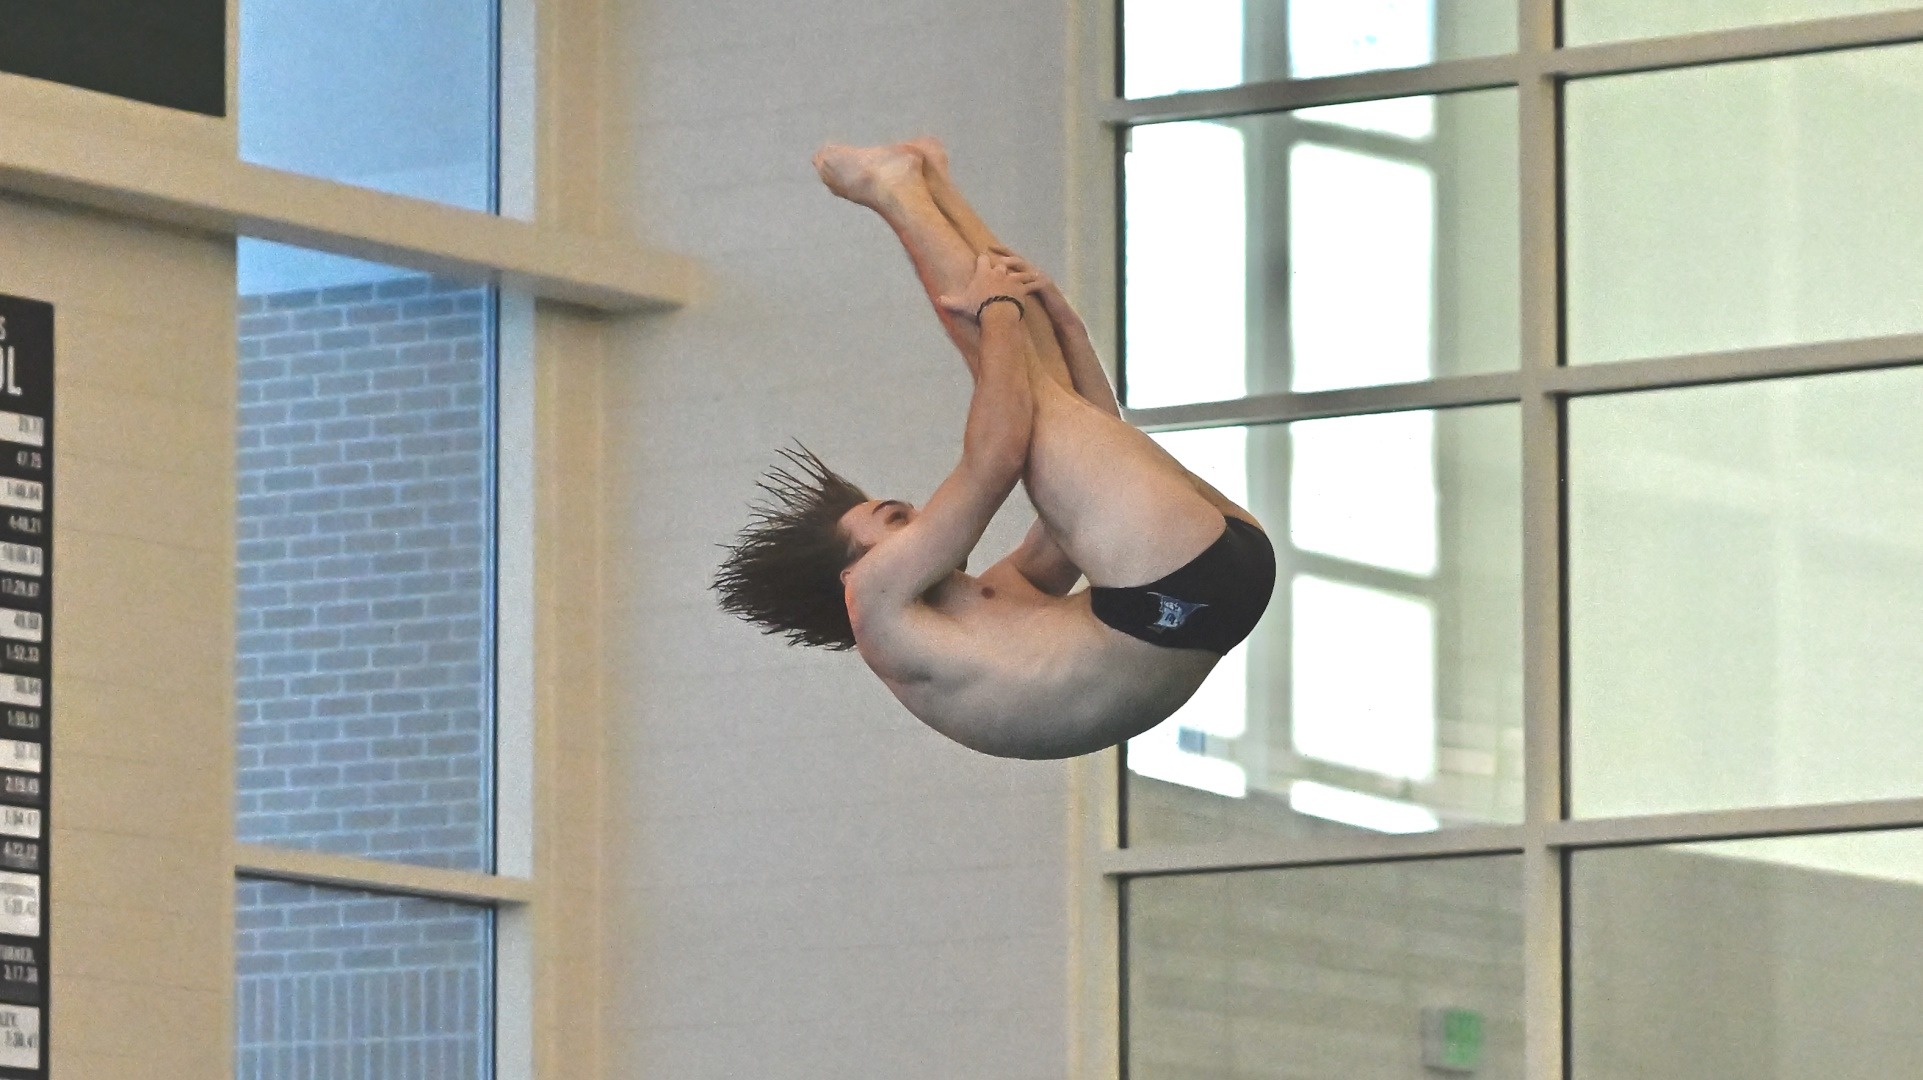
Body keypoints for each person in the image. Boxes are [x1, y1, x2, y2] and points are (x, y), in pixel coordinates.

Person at [713, 139, 1275, 760]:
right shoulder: (874, 607)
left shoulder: (994, 603)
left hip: (1198, 586)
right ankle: (896, 190)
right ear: (853, 570)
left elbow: (1092, 444)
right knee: (1010, 366)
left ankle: (927, 185)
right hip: (1175, 592)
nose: (923, 519)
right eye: (895, 520)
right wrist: (999, 311)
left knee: (1037, 386)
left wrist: (1067, 327)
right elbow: (996, 457)